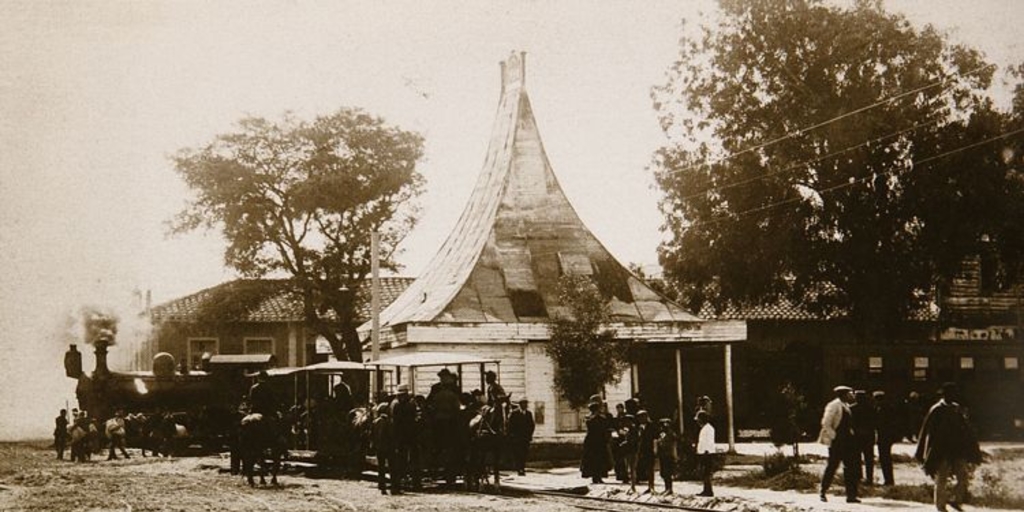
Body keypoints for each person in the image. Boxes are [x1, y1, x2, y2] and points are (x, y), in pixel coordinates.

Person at [915, 382, 984, 512]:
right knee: (941, 478)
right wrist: (927, 450)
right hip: (941, 450)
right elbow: (928, 431)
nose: (953, 396)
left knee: (962, 477)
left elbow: (965, 429)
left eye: (954, 394)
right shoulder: (937, 409)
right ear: (945, 395)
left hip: (957, 449)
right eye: (950, 394)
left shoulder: (956, 408)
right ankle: (940, 506)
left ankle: (956, 501)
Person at [818, 385, 860, 503]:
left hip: (847, 442)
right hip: (837, 442)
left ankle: (851, 495)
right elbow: (826, 423)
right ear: (843, 394)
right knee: (832, 466)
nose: (851, 395)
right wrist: (834, 436)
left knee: (850, 468)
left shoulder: (846, 406)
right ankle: (822, 491)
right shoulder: (834, 405)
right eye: (849, 394)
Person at [427, 368, 462, 484]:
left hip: (451, 421)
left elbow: (460, 403)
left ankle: (451, 470)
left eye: (446, 377)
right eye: (442, 377)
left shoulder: (455, 389)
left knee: (453, 445)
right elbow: (429, 402)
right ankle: (435, 465)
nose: (444, 379)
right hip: (438, 421)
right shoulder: (435, 388)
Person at [390, 383, 420, 493]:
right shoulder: (402, 404)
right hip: (404, 434)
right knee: (402, 458)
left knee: (408, 457)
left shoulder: (397, 404)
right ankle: (401, 482)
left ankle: (410, 481)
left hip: (405, 434)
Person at [580, 399, 611, 484]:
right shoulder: (592, 418)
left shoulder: (592, 418)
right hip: (596, 441)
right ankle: (596, 476)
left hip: (593, 441)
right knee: (595, 459)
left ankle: (597, 476)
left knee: (597, 459)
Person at [851, 389, 877, 485]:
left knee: (857, 458)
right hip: (869, 436)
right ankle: (869, 478)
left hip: (856, 437)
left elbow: (850, 423)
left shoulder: (852, 408)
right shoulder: (871, 408)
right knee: (869, 459)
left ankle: (859, 477)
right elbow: (875, 422)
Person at [874, 390, 900, 486]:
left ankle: (888, 480)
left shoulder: (882, 409)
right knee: (885, 458)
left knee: (885, 459)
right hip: (887, 437)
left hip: (884, 437)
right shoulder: (888, 408)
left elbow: (880, 424)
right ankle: (888, 479)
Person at [508, 398, 535, 476]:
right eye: (523, 404)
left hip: (525, 438)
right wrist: (512, 435)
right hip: (517, 438)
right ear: (520, 404)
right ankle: (519, 469)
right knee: (518, 454)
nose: (525, 405)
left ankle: (522, 468)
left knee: (524, 453)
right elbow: (510, 425)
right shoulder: (514, 413)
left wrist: (530, 435)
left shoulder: (529, 414)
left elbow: (531, 425)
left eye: (526, 404)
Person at [372, 402, 393, 495]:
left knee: (381, 467)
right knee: (391, 466)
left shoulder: (375, 422)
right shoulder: (390, 422)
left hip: (379, 447)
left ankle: (381, 484)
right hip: (388, 447)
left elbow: (372, 435)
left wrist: (374, 445)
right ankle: (393, 485)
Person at [694, 411, 715, 497]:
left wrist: (706, 452)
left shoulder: (709, 429)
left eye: (699, 419)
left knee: (706, 472)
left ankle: (708, 491)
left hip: (707, 453)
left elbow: (709, 442)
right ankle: (706, 489)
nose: (698, 421)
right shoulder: (704, 428)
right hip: (703, 453)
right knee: (704, 472)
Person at [635, 410, 657, 494]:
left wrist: (655, 449)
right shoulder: (639, 427)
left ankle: (651, 486)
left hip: (650, 449)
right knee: (646, 468)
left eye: (642, 417)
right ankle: (649, 486)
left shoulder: (651, 426)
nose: (640, 419)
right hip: (642, 450)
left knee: (650, 468)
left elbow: (655, 438)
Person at [656, 418, 678, 495]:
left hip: (668, 455)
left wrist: (675, 456)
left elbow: (673, 446)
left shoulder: (671, 434)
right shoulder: (662, 434)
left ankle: (669, 488)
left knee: (668, 473)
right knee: (663, 473)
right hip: (663, 455)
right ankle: (666, 488)